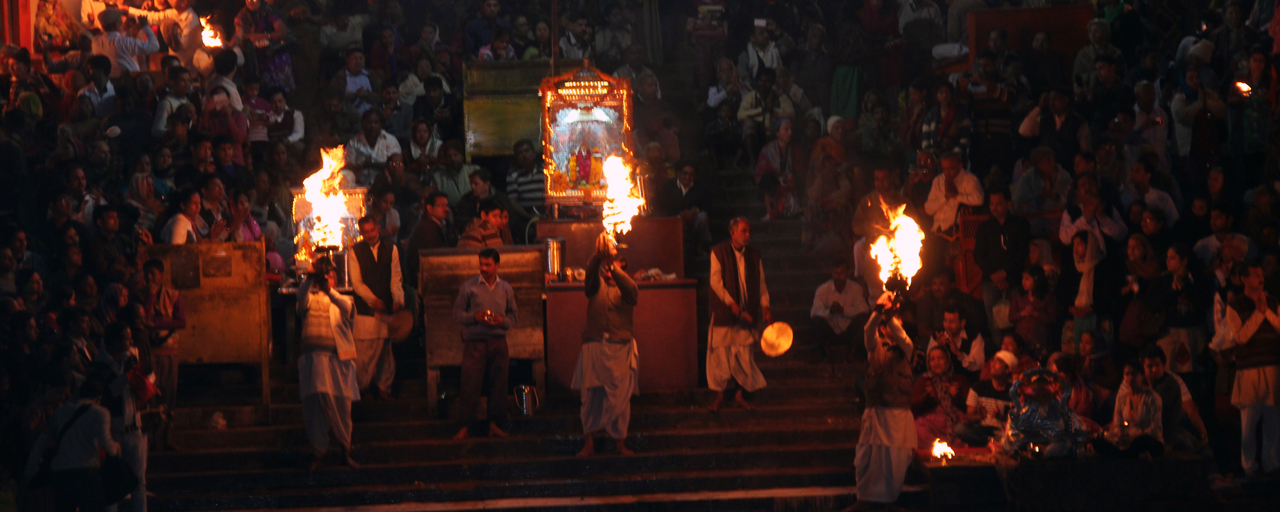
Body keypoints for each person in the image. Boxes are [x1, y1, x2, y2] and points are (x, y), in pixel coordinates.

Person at [1211, 262, 1280, 476]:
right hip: (1249, 370)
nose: (1260, 278)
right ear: (1244, 279)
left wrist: (1265, 311)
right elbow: (1240, 337)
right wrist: (1258, 315)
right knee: (1248, 424)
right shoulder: (1235, 306)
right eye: (1255, 275)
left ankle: (1272, 464)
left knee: (1272, 423)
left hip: (1272, 367)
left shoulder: (1273, 302)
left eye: (1261, 274)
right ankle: (1249, 466)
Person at [574, 235, 640, 457]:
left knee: (621, 400)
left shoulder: (628, 289)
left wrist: (614, 265)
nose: (610, 273)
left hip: (620, 348)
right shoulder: (595, 287)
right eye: (608, 270)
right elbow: (590, 278)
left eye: (615, 271)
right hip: (595, 347)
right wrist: (598, 257)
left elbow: (632, 292)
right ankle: (589, 443)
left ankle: (619, 443)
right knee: (590, 397)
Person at [852, 292, 915, 509]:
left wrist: (889, 316)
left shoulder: (907, 348)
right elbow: (868, 331)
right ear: (882, 328)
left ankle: (889, 502)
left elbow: (902, 336)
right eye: (889, 324)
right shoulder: (874, 347)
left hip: (898, 414)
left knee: (895, 460)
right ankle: (866, 502)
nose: (895, 327)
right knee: (869, 458)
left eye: (896, 324)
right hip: (877, 413)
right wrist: (878, 311)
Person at [295, 256, 360, 469]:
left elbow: (346, 309)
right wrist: (310, 277)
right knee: (314, 409)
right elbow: (301, 296)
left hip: (337, 363)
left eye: (330, 277)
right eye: (325, 277)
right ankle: (318, 453)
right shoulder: (309, 299)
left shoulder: (344, 299)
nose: (327, 280)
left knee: (342, 408)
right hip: (314, 362)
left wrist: (328, 290)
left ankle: (345, 451)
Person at [25, 378, 120, 512]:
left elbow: (46, 438)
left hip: (61, 473)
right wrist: (116, 448)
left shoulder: (61, 411)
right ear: (99, 397)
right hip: (86, 471)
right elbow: (106, 442)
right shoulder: (100, 413)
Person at [452, 248, 517, 440]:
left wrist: (502, 321)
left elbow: (514, 315)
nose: (483, 268)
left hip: (498, 341)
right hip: (475, 342)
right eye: (481, 264)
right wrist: (475, 317)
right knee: (470, 385)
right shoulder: (469, 287)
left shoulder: (505, 288)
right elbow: (457, 314)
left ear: (497, 265)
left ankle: (495, 425)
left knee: (498, 385)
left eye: (488, 265)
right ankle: (465, 426)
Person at [707, 218, 770, 411]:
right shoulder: (719, 252)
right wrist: (731, 303)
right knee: (721, 357)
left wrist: (765, 306)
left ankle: (739, 395)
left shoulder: (754, 255)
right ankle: (719, 396)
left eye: (749, 231)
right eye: (743, 231)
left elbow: (761, 284)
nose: (747, 235)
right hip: (725, 314)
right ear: (732, 232)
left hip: (746, 312)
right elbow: (716, 282)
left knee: (743, 356)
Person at [88, 322, 147, 512]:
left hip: (133, 427)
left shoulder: (130, 359)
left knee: (139, 481)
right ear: (114, 342)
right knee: (112, 481)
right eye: (126, 338)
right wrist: (128, 376)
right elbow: (107, 392)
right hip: (112, 429)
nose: (130, 341)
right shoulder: (99, 365)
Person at [348, 216, 404, 400]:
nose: (370, 235)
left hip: (386, 308)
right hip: (365, 310)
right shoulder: (355, 251)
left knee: (385, 352)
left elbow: (396, 278)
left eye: (372, 230)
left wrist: (397, 298)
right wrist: (373, 300)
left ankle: (383, 388)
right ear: (361, 233)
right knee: (365, 353)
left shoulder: (392, 249)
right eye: (366, 232)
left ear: (378, 228)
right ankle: (362, 389)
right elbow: (357, 283)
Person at [974, 189, 1030, 343]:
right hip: (990, 282)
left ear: (1008, 204)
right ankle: (1000, 353)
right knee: (994, 322)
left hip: (1014, 280)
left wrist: (1005, 273)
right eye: (992, 204)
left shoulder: (1020, 224)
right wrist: (994, 275)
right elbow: (978, 255)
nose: (994, 207)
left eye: (998, 203)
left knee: (1017, 319)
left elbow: (1022, 253)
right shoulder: (984, 227)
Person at [140, 259, 186, 408]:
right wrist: (150, 297)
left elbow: (181, 322)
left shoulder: (172, 295)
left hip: (168, 351)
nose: (149, 278)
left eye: (152, 274)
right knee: (151, 391)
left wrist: (157, 324)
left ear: (161, 275)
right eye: (146, 274)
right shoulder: (141, 295)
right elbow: (142, 320)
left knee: (168, 391)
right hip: (149, 352)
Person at [810, 259, 870, 362]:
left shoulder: (856, 288)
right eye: (835, 273)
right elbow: (814, 312)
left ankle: (852, 354)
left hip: (849, 330)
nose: (838, 276)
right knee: (816, 321)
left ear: (848, 273)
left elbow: (865, 308)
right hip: (830, 330)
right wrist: (830, 312)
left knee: (863, 319)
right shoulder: (823, 290)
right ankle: (827, 354)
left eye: (841, 273)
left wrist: (844, 311)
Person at [913, 346, 970, 449]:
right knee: (917, 428)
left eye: (940, 358)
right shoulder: (924, 380)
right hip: (931, 426)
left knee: (964, 431)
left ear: (948, 360)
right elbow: (913, 406)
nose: (936, 362)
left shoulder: (960, 380)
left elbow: (970, 407)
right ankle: (939, 449)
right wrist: (928, 396)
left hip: (956, 423)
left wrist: (956, 396)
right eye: (932, 359)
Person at [957, 350, 1016, 447]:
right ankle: (990, 441)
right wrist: (979, 417)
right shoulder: (978, 387)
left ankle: (994, 441)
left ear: (1008, 369)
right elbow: (969, 416)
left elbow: (1018, 420)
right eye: (992, 360)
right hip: (981, 430)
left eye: (998, 362)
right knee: (960, 429)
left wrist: (1002, 417)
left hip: (1003, 431)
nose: (992, 364)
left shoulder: (1014, 392)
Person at [92, 10, 159, 78]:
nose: (122, 22)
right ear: (115, 24)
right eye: (120, 19)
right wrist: (145, 26)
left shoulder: (95, 41)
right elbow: (154, 46)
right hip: (130, 79)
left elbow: (112, 38)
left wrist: (125, 29)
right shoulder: (125, 43)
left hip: (110, 79)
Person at [927, 305, 986, 381]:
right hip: (942, 381)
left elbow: (979, 365)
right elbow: (929, 364)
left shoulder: (973, 336)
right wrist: (939, 348)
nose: (947, 325)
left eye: (951, 322)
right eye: (945, 321)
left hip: (968, 381)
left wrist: (959, 353)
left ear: (962, 323)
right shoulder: (937, 335)